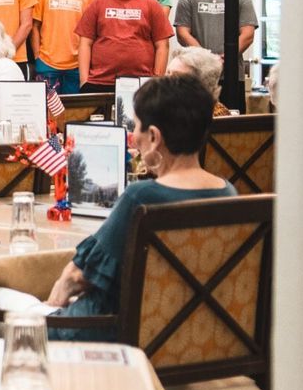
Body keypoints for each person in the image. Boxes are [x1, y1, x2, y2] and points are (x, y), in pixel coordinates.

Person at [34, 76, 235, 339]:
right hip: (187, 334)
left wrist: (50, 310)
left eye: (136, 125)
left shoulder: (142, 197)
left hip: (111, 334)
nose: (132, 136)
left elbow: (77, 277)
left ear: (153, 137)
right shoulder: (228, 192)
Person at [77, 0, 173, 89]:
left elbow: (162, 45)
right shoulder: (98, 3)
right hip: (100, 81)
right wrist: (84, 79)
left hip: (141, 82)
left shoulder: (151, 5)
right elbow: (85, 42)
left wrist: (156, 80)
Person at [32, 0, 95, 94]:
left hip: (77, 64)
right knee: (48, 113)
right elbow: (35, 26)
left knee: (74, 113)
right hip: (47, 63)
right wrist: (37, 57)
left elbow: (92, 32)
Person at [168, 46, 232, 114]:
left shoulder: (216, 117)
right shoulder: (164, 109)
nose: (166, 80)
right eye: (168, 72)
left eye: (176, 76)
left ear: (201, 85)